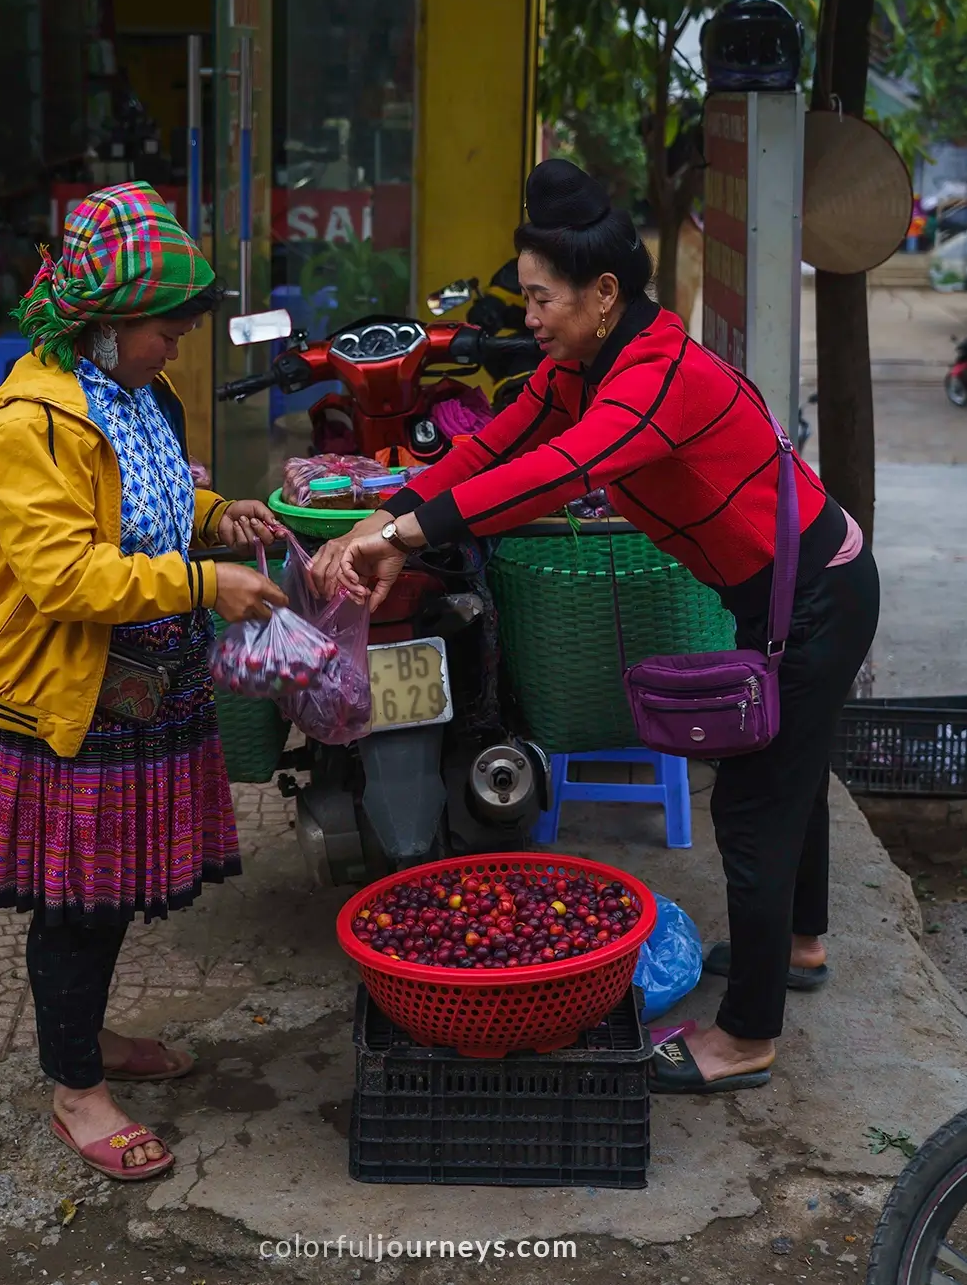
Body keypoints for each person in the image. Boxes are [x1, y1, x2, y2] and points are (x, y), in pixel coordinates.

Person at [313, 158, 880, 1095]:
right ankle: (802, 944)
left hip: (818, 589)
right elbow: (496, 444)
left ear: (603, 292)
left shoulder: (655, 373)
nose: (526, 316)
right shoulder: (577, 365)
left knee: (753, 797)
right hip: (776, 589)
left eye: (539, 298)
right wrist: (391, 513)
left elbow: (566, 468)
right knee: (786, 769)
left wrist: (409, 532)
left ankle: (746, 1037)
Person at [0, 183, 288, 1181]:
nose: (175, 346)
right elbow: (62, 576)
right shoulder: (31, 425)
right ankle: (76, 1091)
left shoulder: (134, 396)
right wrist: (200, 581)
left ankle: (85, 1044)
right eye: (163, 329)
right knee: (79, 900)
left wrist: (218, 514)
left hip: (145, 676)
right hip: (74, 684)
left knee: (118, 885)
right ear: (105, 320)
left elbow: (153, 496)